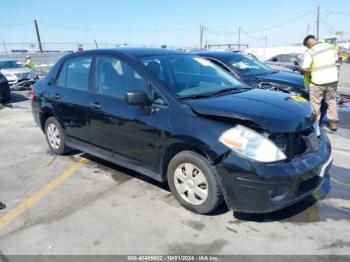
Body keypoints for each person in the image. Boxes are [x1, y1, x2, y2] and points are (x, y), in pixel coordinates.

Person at [301, 35, 339, 131]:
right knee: (331, 101)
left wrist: (305, 70)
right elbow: (336, 61)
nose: (308, 48)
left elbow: (305, 68)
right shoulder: (331, 47)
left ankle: (315, 125)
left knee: (315, 104)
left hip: (318, 82)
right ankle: (333, 124)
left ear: (308, 44)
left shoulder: (310, 51)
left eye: (307, 46)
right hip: (332, 80)